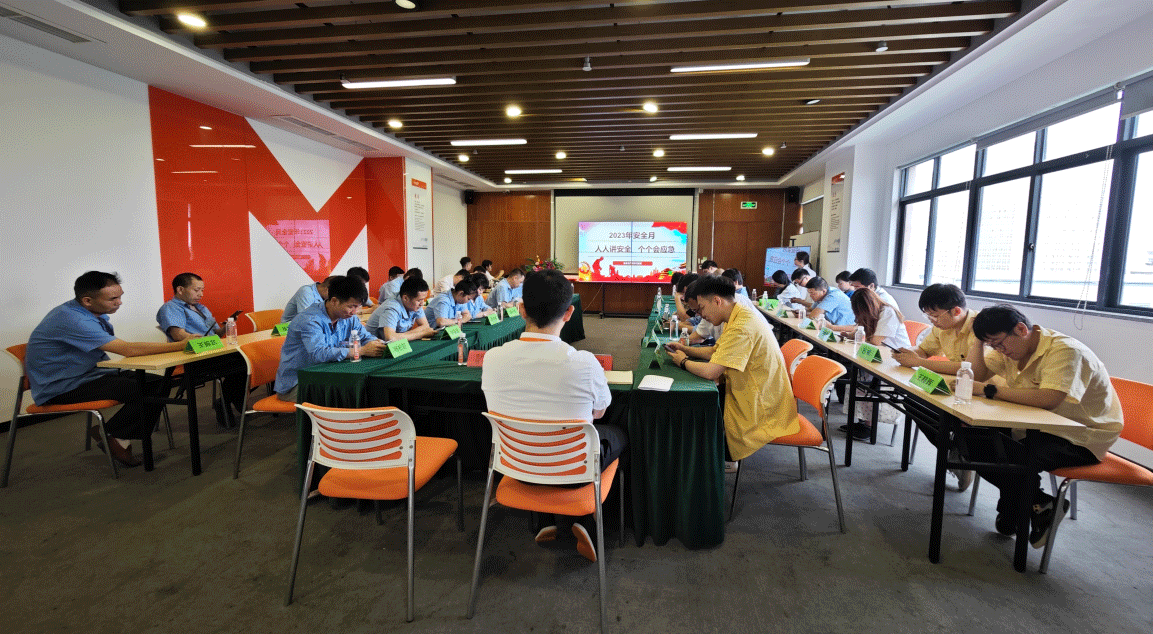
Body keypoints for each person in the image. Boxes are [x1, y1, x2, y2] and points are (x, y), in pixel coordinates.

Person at [481, 269, 627, 563]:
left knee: (545, 439)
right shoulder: (584, 362)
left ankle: (550, 521)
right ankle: (585, 522)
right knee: (617, 434)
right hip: (572, 470)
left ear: (521, 309)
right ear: (569, 313)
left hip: (515, 465)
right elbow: (599, 412)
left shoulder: (492, 358)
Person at [956, 304, 1122, 547]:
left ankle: (1017, 509)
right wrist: (979, 342)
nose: (999, 350)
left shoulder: (1065, 351)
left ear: (1021, 329)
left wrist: (990, 390)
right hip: (1035, 426)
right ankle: (1037, 504)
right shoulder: (1010, 349)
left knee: (1010, 456)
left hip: (1079, 436)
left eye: (999, 343)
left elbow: (1048, 399)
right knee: (974, 440)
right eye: (993, 345)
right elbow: (976, 375)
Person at [26, 271, 187, 467]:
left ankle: (113, 434)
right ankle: (115, 437)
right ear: (87, 300)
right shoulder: (73, 319)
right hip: (62, 387)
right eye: (113, 299)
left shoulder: (87, 313)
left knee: (159, 383)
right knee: (143, 390)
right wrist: (180, 345)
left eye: (120, 296)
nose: (120, 302)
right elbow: (127, 349)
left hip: (92, 375)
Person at [666, 275, 797, 465]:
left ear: (717, 301)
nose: (701, 315)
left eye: (701, 308)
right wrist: (685, 349)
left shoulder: (742, 326)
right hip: (752, 390)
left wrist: (683, 361)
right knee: (696, 407)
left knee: (694, 411)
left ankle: (712, 460)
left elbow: (711, 372)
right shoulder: (736, 315)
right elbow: (716, 351)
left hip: (760, 404)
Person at [892, 283, 979, 492]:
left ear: (956, 311)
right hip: (953, 388)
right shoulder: (942, 328)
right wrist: (906, 353)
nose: (932, 320)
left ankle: (962, 455)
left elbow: (970, 368)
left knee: (944, 415)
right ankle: (957, 453)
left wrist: (919, 362)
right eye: (928, 316)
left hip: (979, 392)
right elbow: (924, 350)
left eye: (935, 315)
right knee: (913, 402)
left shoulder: (979, 327)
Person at [155, 272, 247, 425]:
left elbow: (216, 334)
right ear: (180, 289)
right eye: (196, 290)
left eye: (202, 290)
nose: (201, 294)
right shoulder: (171, 308)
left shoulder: (201, 308)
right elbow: (178, 336)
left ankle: (228, 399)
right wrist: (199, 339)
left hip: (213, 351)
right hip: (194, 357)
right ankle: (227, 400)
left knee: (248, 358)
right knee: (243, 363)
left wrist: (227, 326)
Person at [275, 276, 384, 402]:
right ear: (334, 301)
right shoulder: (310, 320)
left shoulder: (349, 318)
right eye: (351, 306)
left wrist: (376, 343)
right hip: (299, 384)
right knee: (349, 394)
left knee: (367, 386)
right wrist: (361, 351)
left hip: (328, 374)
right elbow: (319, 353)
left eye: (358, 307)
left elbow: (365, 337)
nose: (354, 312)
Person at [843, 287, 911, 440]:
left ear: (868, 306)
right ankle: (862, 421)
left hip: (896, 361)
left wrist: (859, 336)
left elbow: (875, 341)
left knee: (867, 383)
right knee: (858, 379)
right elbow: (862, 331)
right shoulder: (874, 313)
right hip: (879, 357)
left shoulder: (888, 312)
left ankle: (869, 426)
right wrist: (849, 335)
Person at [366, 276, 435, 341]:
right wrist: (421, 334)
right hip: (372, 345)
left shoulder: (415, 305)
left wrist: (403, 336)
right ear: (405, 298)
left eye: (423, 299)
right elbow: (390, 338)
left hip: (393, 344)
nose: (422, 303)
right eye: (419, 300)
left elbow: (425, 326)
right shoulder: (391, 307)